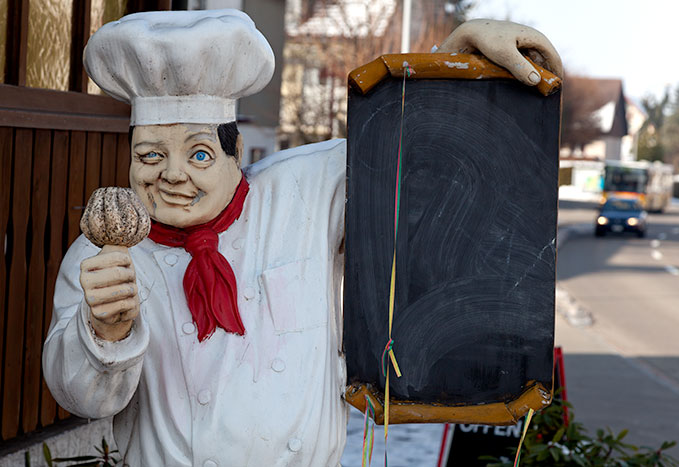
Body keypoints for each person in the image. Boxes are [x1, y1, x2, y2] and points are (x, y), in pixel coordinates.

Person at [42, 9, 561, 467]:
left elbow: (416, 145)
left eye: (198, 154)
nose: (173, 175)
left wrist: (463, 56)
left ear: (234, 150)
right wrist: (105, 332)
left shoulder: (305, 189)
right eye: (151, 155)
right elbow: (82, 399)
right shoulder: (101, 256)